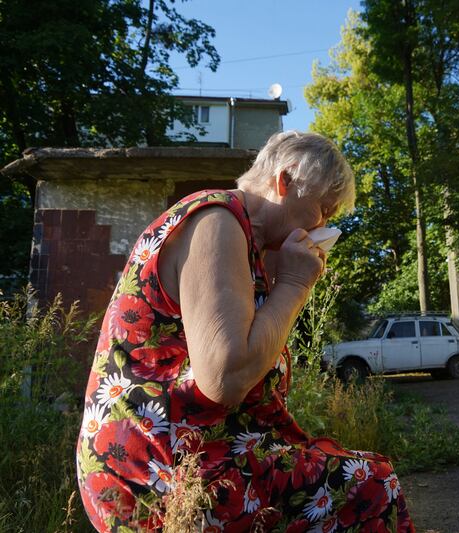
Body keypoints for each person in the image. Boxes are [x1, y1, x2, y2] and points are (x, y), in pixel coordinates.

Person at [76, 131, 415, 532]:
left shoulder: (243, 240)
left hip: (185, 451)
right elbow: (225, 378)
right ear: (285, 181)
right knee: (374, 487)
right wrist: (294, 285)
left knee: (353, 472)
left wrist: (278, 277)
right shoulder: (215, 220)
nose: (323, 224)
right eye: (323, 209)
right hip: (155, 469)